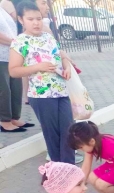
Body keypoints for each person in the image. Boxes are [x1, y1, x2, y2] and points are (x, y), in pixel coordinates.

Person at [9, 1, 74, 163]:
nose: (36, 23)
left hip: (61, 90)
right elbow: (14, 70)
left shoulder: (48, 37)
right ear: (21, 20)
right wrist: (38, 67)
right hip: (41, 95)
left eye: (38, 18)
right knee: (52, 135)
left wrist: (67, 67)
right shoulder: (20, 42)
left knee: (69, 131)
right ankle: (59, 171)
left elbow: (60, 56)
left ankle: (70, 169)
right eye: (31, 19)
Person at [0, 5, 26, 133]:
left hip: (11, 56)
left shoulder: (2, 9)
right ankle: (4, 121)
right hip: (0, 57)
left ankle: (14, 117)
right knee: (4, 90)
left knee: (16, 88)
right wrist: (15, 43)